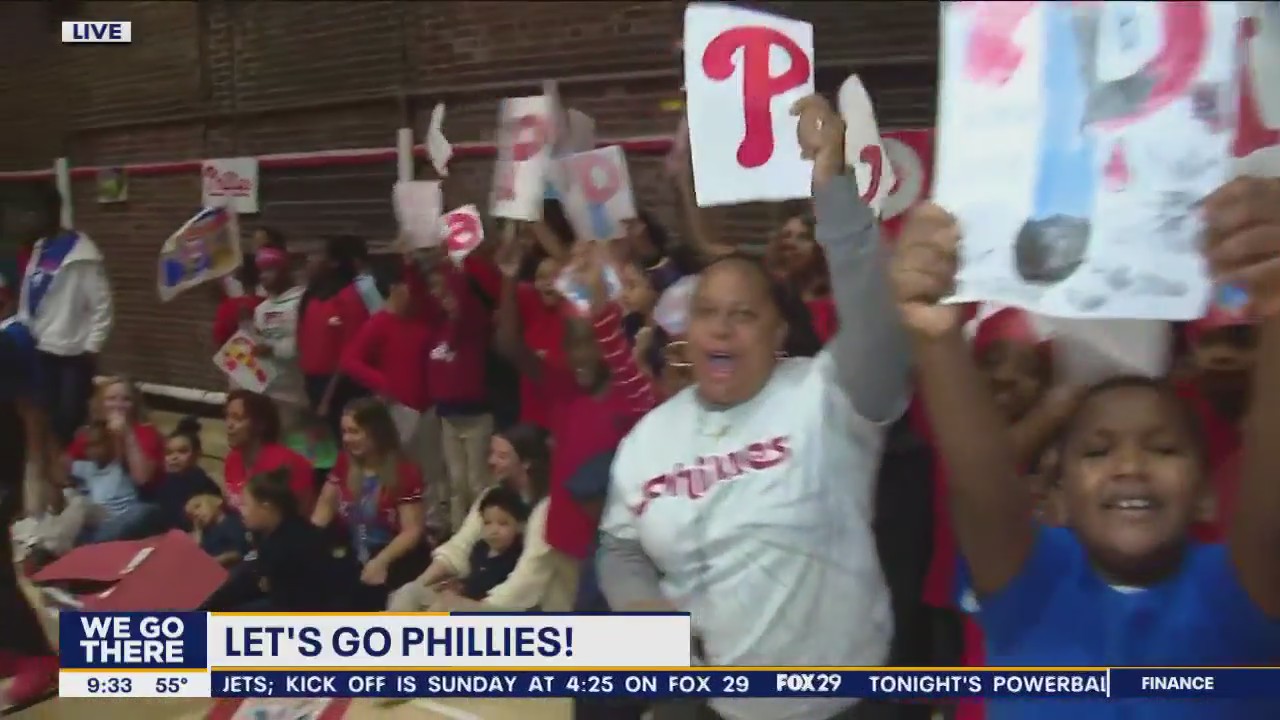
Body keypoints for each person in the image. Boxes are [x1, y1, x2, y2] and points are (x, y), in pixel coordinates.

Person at [892, 176, 1280, 720]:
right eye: (1097, 452)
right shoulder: (1029, 584)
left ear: (1206, 494)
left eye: (1164, 449)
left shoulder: (1240, 592)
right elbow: (981, 480)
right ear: (1058, 492)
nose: (1130, 466)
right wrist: (934, 337)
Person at [598, 94, 911, 720]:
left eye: (743, 314)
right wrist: (646, 615)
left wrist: (834, 186)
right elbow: (620, 546)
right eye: (707, 313)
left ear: (778, 333)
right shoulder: (649, 438)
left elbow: (881, 334)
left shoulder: (825, 396)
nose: (720, 328)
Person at [497, 237, 658, 610]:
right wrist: (508, 277)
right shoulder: (564, 385)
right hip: (560, 543)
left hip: (611, 555)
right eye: (572, 343)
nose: (579, 355)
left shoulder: (634, 396)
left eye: (590, 342)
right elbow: (508, 345)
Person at [387, 423, 563, 611]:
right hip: (477, 592)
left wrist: (469, 605)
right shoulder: (492, 495)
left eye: (502, 456)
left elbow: (524, 583)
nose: (491, 461)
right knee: (408, 594)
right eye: (491, 453)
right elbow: (460, 547)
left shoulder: (547, 509)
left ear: (526, 462)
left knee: (445, 610)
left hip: (520, 606)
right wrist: (421, 583)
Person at [15, 183, 113, 446]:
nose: (25, 220)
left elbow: (102, 305)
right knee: (43, 416)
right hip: (39, 347)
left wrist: (92, 347)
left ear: (51, 211)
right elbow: (28, 294)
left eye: (31, 212)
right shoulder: (39, 249)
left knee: (68, 419)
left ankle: (71, 464)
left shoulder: (82, 254)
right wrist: (23, 330)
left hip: (72, 354)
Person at [311, 398, 428, 609]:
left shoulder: (404, 472)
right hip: (355, 554)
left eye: (354, 432)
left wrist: (381, 561)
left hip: (394, 559)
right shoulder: (343, 463)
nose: (347, 439)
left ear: (376, 432)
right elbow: (324, 509)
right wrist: (306, 543)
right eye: (344, 432)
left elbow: (412, 531)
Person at [0, 321, 58, 709]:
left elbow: (31, 410)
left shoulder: (6, 345)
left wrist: (36, 472)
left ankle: (39, 659)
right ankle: (9, 647)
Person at [422, 262, 493, 532]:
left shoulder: (473, 324)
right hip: (448, 416)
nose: (443, 296)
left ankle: (483, 535)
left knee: (477, 483)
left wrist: (456, 264)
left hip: (475, 415)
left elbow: (464, 302)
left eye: (449, 292)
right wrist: (410, 263)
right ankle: (456, 536)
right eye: (438, 291)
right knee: (456, 483)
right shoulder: (438, 326)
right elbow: (421, 298)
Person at [235, 469, 359, 611]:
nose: (240, 510)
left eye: (245, 504)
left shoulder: (288, 546)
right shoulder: (273, 534)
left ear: (266, 507)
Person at [297, 236, 369, 439]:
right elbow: (304, 344)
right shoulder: (310, 297)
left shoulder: (351, 297)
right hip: (312, 384)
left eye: (320, 256)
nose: (311, 263)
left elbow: (350, 353)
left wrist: (327, 399)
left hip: (341, 387)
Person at [222, 390, 313, 513]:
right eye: (227, 416)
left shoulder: (287, 463)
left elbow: (299, 515)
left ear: (260, 424)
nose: (229, 424)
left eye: (237, 418)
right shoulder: (232, 459)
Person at [66, 377, 165, 488]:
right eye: (111, 399)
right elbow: (65, 465)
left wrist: (127, 434)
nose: (118, 405)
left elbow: (142, 478)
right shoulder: (91, 432)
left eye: (126, 399)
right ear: (100, 404)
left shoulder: (147, 432)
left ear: (135, 405)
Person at [251, 246, 307, 435]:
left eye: (270, 270)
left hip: (297, 392)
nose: (263, 276)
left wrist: (273, 349)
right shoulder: (260, 309)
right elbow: (257, 343)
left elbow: (308, 344)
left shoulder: (302, 301)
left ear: (285, 271)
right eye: (261, 271)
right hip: (267, 390)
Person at [146, 417, 221, 530]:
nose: (174, 457)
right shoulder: (159, 481)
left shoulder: (203, 484)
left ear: (197, 454)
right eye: (169, 453)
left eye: (182, 451)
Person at [461, 484, 529, 601]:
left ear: (519, 525)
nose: (494, 530)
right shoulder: (479, 549)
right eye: (487, 523)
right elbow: (473, 580)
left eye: (503, 523)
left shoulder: (518, 557)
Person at [186, 487, 249, 567]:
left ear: (217, 501)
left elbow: (240, 551)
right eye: (191, 515)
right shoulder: (205, 534)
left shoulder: (233, 523)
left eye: (198, 506)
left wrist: (213, 561)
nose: (196, 514)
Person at [212, 257, 263, 350]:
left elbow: (219, 339)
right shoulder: (269, 303)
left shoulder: (227, 307)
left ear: (238, 279)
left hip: (238, 355)